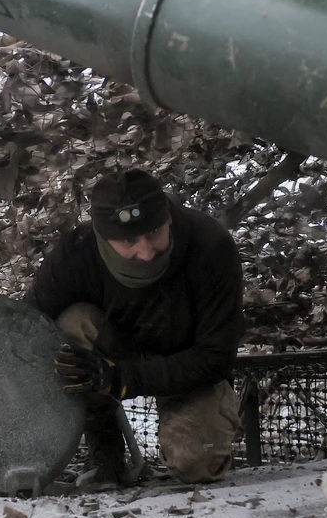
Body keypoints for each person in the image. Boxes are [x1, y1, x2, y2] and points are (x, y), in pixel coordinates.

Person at [29, 167, 245, 485]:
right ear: (103, 237)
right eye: (129, 240)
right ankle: (105, 455)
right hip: (114, 350)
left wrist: (123, 378)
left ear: (169, 218)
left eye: (155, 232)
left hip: (191, 368)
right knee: (71, 324)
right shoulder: (75, 255)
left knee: (194, 463)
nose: (145, 253)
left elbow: (217, 356)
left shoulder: (211, 246)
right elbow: (26, 327)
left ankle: (205, 427)